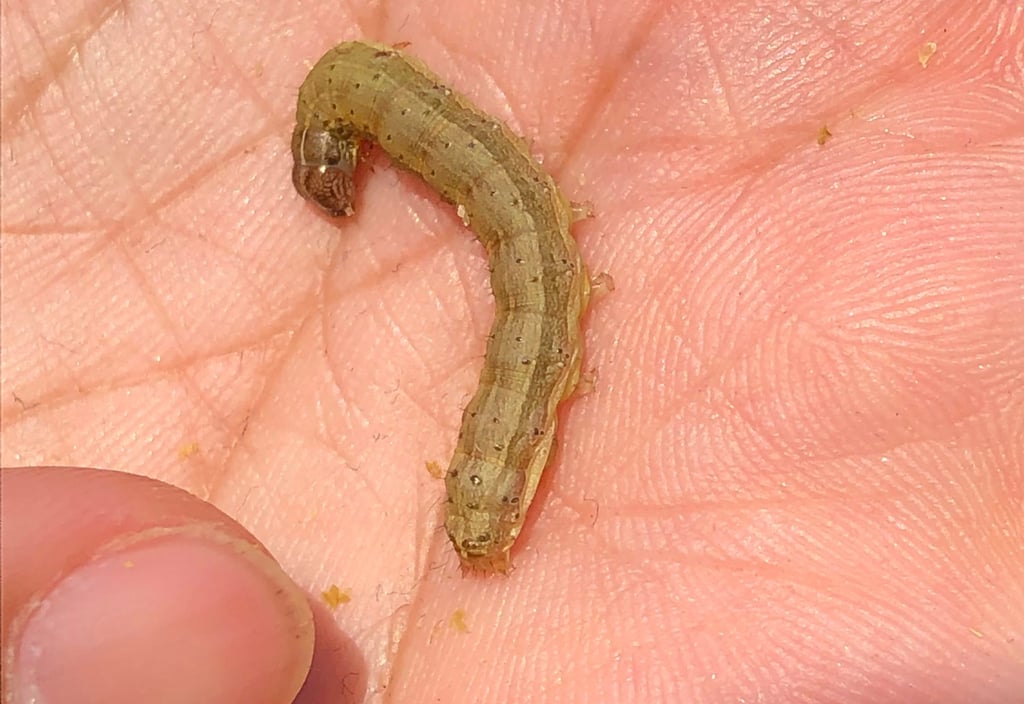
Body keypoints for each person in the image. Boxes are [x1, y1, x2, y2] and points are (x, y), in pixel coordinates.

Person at [3, 4, 1022, 703]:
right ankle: (482, 505)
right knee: (531, 264)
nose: (336, 172)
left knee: (534, 264)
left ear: (351, 121)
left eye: (330, 152)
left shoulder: (359, 87)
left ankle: (485, 505)